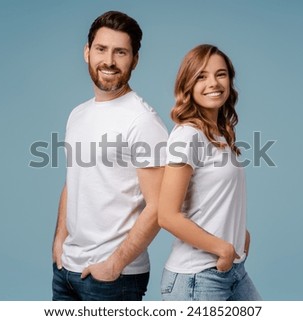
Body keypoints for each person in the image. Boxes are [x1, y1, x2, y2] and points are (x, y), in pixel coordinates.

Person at [52, 11, 168, 301]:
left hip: (114, 278)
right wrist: (59, 243)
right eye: (101, 49)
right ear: (87, 52)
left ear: (135, 60)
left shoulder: (142, 121)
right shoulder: (78, 114)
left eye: (121, 52)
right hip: (67, 270)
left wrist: (115, 263)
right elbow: (74, 182)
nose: (109, 61)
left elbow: (159, 207)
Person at [158, 44, 261, 300]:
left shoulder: (219, 134)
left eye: (221, 74)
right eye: (201, 76)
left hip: (232, 272)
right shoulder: (187, 136)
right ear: (188, 85)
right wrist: (223, 248)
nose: (213, 83)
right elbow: (167, 216)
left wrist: (240, 236)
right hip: (196, 278)